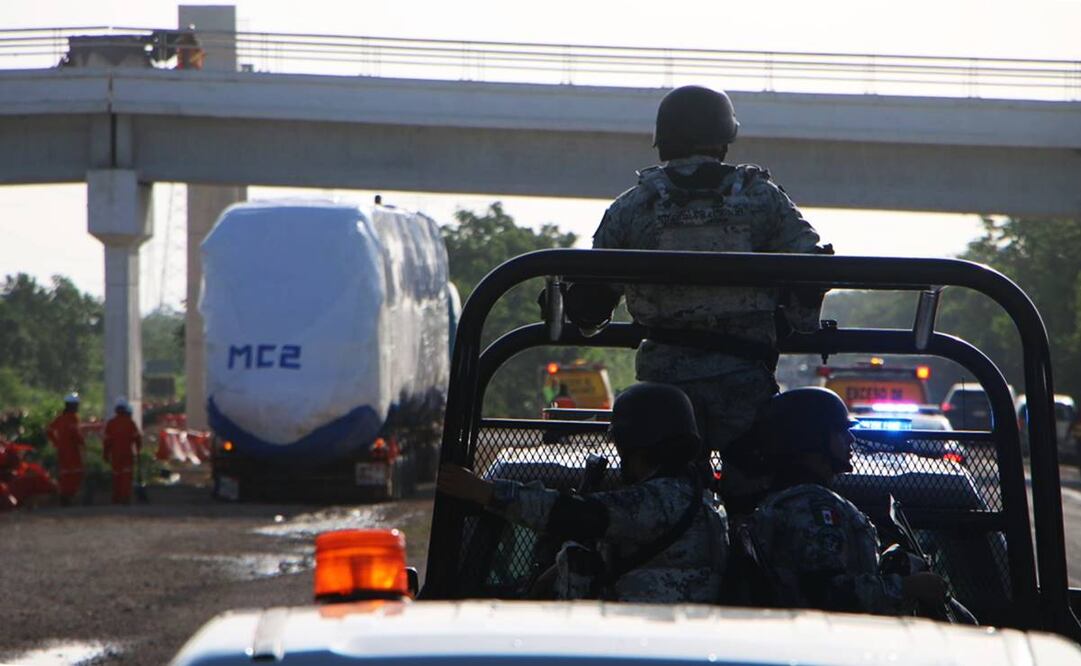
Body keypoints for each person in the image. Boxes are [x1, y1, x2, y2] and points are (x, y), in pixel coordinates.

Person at [568, 85, 831, 456]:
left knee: (663, 492)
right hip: (745, 384)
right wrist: (802, 323)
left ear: (661, 143)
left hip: (663, 394)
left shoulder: (633, 206)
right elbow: (809, 271)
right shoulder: (761, 198)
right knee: (752, 491)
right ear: (724, 140)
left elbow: (588, 312)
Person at [438, 382, 727, 603]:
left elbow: (572, 514)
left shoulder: (659, 502)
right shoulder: (697, 498)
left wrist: (487, 492)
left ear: (633, 445)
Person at [736, 387, 947, 615]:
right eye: (840, 431)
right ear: (812, 438)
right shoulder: (813, 508)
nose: (851, 439)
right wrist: (908, 587)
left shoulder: (783, 502)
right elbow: (828, 596)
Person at [46, 392, 85, 506]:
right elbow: (76, 434)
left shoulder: (60, 418)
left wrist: (56, 443)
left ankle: (65, 496)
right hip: (72, 451)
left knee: (65, 474)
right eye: (76, 405)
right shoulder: (73, 418)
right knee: (76, 473)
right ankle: (68, 495)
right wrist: (82, 443)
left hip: (62, 451)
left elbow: (49, 430)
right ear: (72, 406)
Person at [103, 397, 142, 504]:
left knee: (116, 476)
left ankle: (116, 497)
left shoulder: (111, 424)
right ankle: (125, 497)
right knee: (126, 476)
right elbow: (137, 440)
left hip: (115, 455)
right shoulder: (130, 423)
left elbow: (107, 442)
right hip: (127, 454)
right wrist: (138, 452)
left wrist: (105, 454)